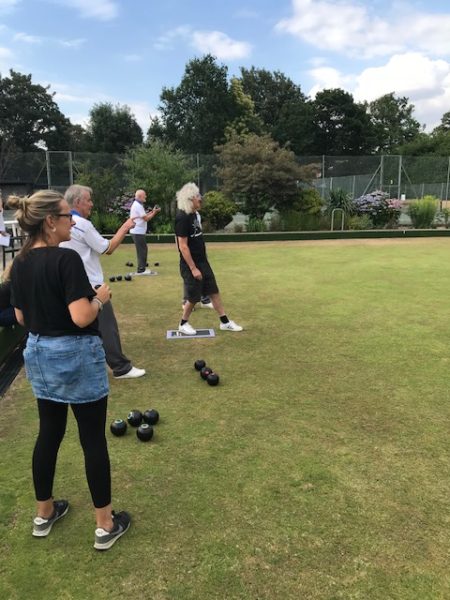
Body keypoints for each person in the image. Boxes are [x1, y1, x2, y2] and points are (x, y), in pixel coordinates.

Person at [8, 189, 130, 551]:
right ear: (50, 221)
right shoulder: (66, 260)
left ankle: (44, 514)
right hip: (76, 355)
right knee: (92, 439)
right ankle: (105, 525)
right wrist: (98, 298)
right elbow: (81, 317)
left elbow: (20, 317)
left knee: (49, 433)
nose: (73, 221)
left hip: (39, 354)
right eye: (66, 216)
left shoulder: (22, 261)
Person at [61, 185, 145, 379]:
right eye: (89, 200)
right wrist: (125, 227)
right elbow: (107, 248)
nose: (91, 203)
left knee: (80, 326)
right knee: (107, 327)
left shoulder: (64, 224)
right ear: (78, 202)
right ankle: (121, 367)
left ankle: (82, 365)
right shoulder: (81, 224)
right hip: (91, 285)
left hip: (70, 283)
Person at [175, 182, 243, 335]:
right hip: (190, 264)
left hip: (202, 261)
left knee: (213, 291)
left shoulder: (193, 214)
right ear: (190, 198)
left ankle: (225, 322)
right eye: (198, 196)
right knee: (193, 296)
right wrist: (193, 268)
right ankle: (183, 323)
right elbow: (183, 246)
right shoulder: (182, 217)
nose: (201, 199)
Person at [129, 189, 161, 274]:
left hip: (137, 231)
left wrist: (153, 211)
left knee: (143, 249)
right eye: (144, 195)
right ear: (139, 196)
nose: (146, 196)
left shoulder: (138, 205)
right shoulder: (138, 206)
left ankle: (141, 268)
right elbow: (146, 219)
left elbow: (144, 216)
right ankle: (141, 270)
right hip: (137, 231)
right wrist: (154, 213)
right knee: (142, 250)